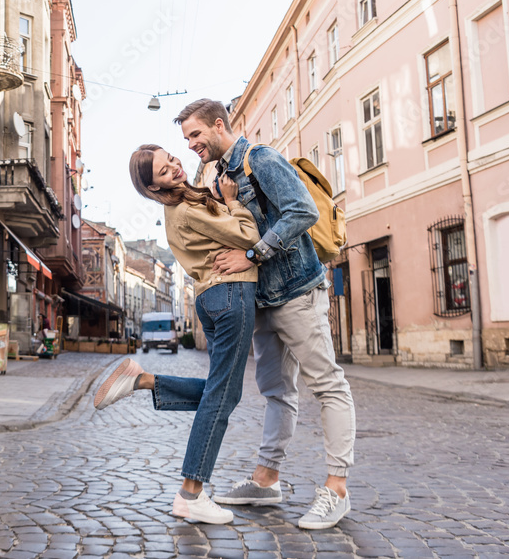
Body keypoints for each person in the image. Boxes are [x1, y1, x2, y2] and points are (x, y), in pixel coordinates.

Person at [176, 98, 356, 531]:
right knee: (276, 391)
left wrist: (253, 254)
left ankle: (337, 489)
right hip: (263, 301)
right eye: (186, 140)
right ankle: (266, 479)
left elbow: (303, 212)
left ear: (219, 125)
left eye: (196, 135)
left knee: (328, 384)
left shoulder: (261, 159)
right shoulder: (223, 177)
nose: (191, 145)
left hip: (296, 291)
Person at [93, 144, 260, 525]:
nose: (174, 167)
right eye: (163, 171)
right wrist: (233, 202)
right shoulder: (184, 209)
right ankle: (190, 493)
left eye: (170, 159)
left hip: (215, 298)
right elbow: (247, 235)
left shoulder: (187, 201)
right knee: (221, 397)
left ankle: (146, 379)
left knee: (223, 394)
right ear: (154, 188)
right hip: (231, 292)